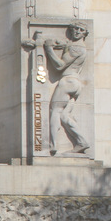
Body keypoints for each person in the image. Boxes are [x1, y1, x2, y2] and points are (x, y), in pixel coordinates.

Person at [44, 21, 90, 156]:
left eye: (80, 30)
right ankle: (81, 142)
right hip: (75, 83)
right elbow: (67, 47)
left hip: (68, 82)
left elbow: (60, 65)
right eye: (75, 29)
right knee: (65, 116)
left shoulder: (77, 48)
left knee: (55, 111)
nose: (77, 32)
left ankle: (52, 145)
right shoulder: (76, 46)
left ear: (84, 33)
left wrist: (49, 49)